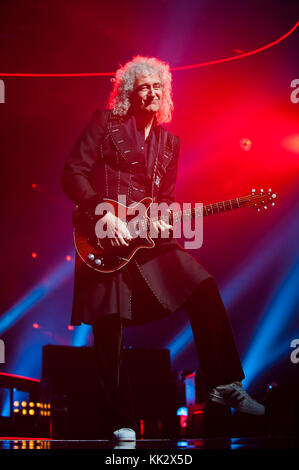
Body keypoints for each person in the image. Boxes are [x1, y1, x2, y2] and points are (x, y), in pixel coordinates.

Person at [61, 55, 265, 442]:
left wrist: (163, 216)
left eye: (157, 87)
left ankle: (223, 383)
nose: (152, 93)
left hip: (149, 241)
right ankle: (118, 421)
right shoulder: (105, 124)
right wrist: (103, 212)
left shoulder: (170, 144)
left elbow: (166, 200)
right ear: (129, 93)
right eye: (143, 87)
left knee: (202, 285)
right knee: (110, 327)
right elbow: (72, 173)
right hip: (103, 236)